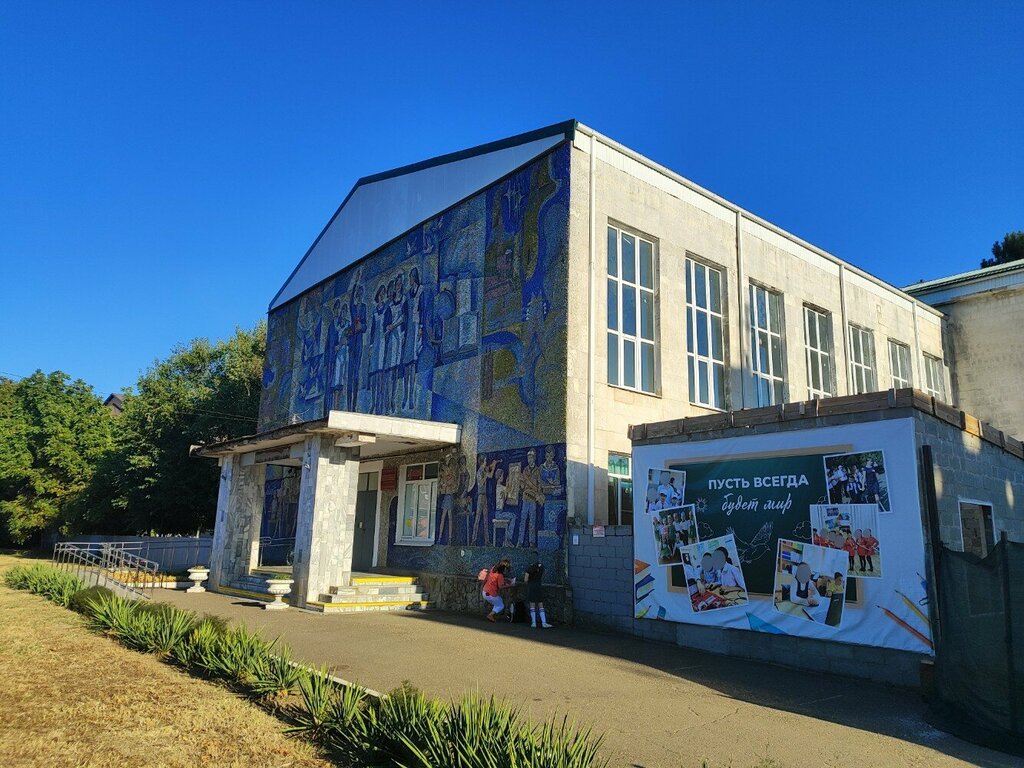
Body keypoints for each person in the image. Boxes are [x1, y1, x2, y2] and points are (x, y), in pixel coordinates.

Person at [524, 561, 552, 628]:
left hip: (531, 586)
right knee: (540, 604)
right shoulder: (541, 567)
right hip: (538, 586)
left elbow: (525, 579)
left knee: (532, 604)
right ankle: (544, 622)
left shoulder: (529, 568)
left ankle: (534, 623)